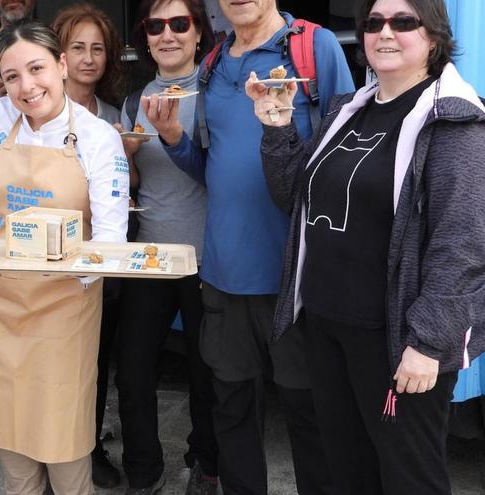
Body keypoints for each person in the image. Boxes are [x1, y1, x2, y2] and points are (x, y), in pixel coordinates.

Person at [246, 0, 485, 493]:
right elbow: (295, 198)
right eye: (374, 23)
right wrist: (277, 128)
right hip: (328, 327)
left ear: (434, 38)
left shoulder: (453, 121)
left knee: (408, 478)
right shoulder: (350, 112)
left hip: (396, 341)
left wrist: (428, 344)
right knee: (347, 471)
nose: (385, 33)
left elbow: (461, 244)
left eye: (403, 21)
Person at [149, 0, 355, 493]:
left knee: (308, 413)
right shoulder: (213, 64)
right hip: (224, 272)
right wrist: (174, 138)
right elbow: (210, 166)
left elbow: (346, 152)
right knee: (232, 408)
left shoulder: (314, 47)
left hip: (294, 275)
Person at [0, 21, 129, 495]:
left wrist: (78, 292)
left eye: (36, 69)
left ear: (62, 66)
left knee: (64, 439)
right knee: (13, 439)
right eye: (12, 77)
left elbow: (110, 235)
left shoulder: (96, 137)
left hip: (65, 309)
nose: (26, 87)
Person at [110, 1, 218, 494]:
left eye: (180, 24)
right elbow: (133, 186)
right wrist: (128, 157)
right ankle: (143, 469)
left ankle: (207, 461)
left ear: (199, 33)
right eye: (156, 26)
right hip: (148, 257)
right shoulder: (134, 103)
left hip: (206, 257)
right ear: (146, 38)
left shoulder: (218, 91)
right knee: (133, 370)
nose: (167, 35)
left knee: (207, 373)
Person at [50, 3, 125, 489]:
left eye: (98, 48)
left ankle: (88, 441)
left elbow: (125, 190)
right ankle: (48, 445)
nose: (88, 58)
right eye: (77, 47)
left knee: (95, 357)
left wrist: (130, 155)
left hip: (103, 252)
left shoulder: (116, 114)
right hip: (51, 257)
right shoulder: (36, 107)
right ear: (58, 54)